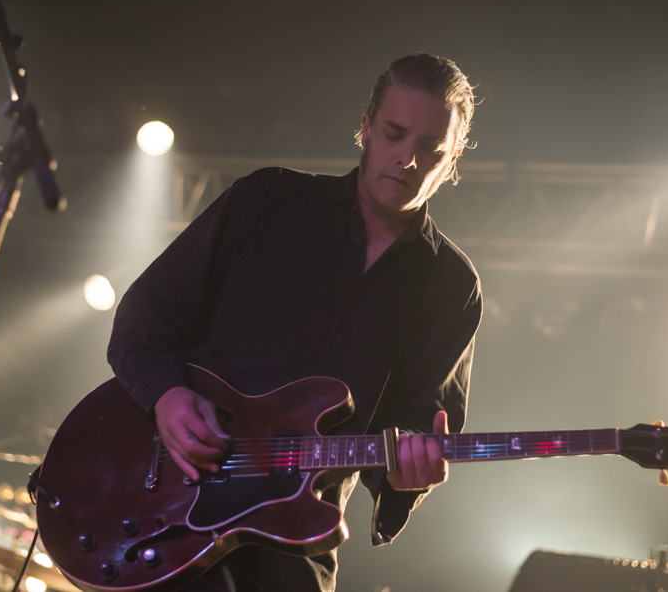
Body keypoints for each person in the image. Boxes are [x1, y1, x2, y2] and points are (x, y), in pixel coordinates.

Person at [108, 53, 482, 591]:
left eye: (431, 148)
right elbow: (147, 314)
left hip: (296, 541)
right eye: (394, 134)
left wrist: (408, 475)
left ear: (453, 158)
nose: (408, 159)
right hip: (172, 505)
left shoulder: (452, 286)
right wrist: (166, 396)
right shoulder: (269, 200)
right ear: (365, 127)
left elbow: (418, 426)